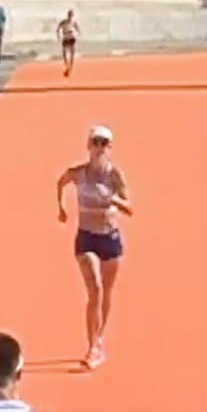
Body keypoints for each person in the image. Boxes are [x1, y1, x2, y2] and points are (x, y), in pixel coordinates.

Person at [56, 125, 133, 369]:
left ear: (109, 148)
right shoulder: (79, 174)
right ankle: (91, 347)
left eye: (104, 143)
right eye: (95, 142)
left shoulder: (114, 175)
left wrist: (113, 199)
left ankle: (99, 339)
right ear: (88, 146)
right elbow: (61, 181)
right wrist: (61, 208)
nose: (99, 147)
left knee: (106, 294)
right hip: (86, 237)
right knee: (96, 290)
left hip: (109, 238)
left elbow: (130, 208)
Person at [56, 9, 80, 77]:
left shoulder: (74, 22)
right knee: (64, 53)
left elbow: (78, 29)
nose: (70, 16)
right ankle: (66, 65)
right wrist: (58, 35)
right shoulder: (63, 22)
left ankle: (70, 66)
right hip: (66, 37)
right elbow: (58, 28)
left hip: (72, 37)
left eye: (71, 15)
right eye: (69, 14)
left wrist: (77, 35)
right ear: (68, 15)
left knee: (72, 53)